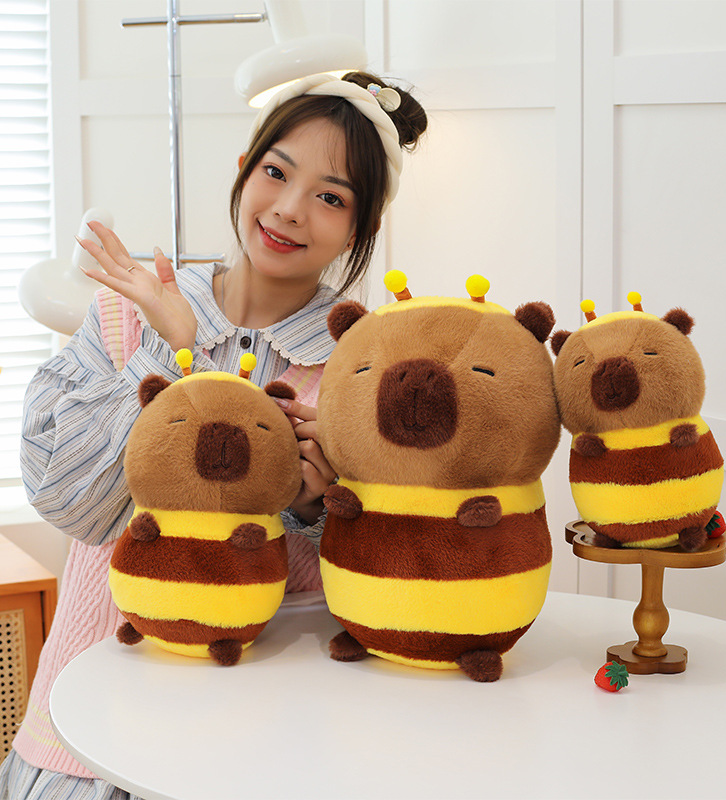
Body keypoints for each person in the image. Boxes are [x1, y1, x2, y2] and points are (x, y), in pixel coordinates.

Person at [0, 71, 426, 800]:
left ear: (360, 230)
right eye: (276, 172)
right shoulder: (128, 311)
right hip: (98, 721)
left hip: (266, 733)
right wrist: (169, 349)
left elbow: (398, 578)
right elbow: (72, 503)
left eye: (330, 197)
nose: (289, 209)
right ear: (243, 169)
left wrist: (316, 510)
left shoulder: (361, 365)